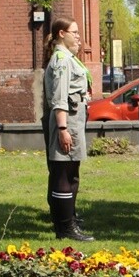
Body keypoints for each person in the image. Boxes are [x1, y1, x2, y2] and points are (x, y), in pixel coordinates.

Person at [42, 16, 93, 242]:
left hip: (73, 119)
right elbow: (60, 98)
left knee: (71, 172)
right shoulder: (62, 60)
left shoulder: (67, 58)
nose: (78, 36)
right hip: (67, 121)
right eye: (74, 32)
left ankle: (67, 218)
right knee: (64, 172)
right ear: (61, 34)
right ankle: (65, 227)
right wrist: (63, 128)